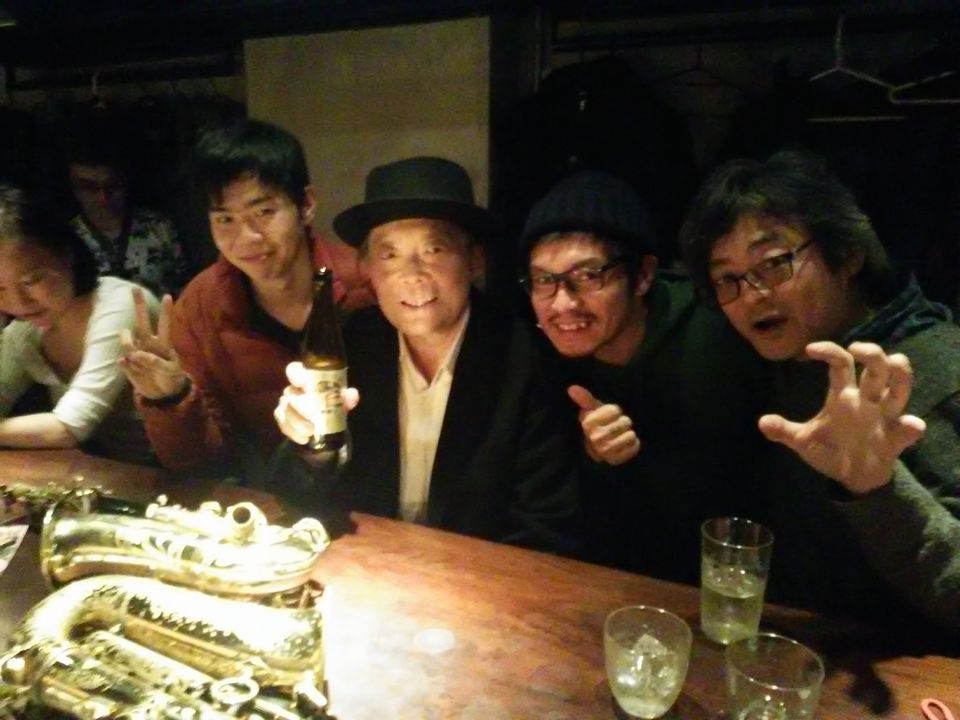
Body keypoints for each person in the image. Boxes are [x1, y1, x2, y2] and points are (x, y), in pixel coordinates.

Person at [680, 149, 960, 634]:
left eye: (774, 263)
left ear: (847, 255)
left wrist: (876, 487)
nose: (752, 295)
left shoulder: (939, 370)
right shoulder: (784, 361)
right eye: (727, 278)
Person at [274, 157, 579, 552]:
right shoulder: (353, 341)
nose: (412, 274)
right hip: (368, 565)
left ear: (475, 260)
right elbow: (291, 492)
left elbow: (545, 526)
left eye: (434, 249)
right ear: (366, 268)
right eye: (389, 255)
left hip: (474, 576)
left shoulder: (524, 358)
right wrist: (310, 447)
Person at [517, 170, 766, 583]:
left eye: (588, 276)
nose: (562, 303)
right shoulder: (543, 357)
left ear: (644, 275)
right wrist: (598, 460)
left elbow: (740, 499)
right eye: (544, 280)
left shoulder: (716, 338)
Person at [118, 118, 374, 480]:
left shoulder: (367, 284)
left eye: (263, 212)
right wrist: (170, 398)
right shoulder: (201, 307)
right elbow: (203, 462)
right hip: (275, 497)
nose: (246, 238)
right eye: (225, 219)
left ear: (306, 205)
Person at [0, 185, 158, 462]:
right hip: (107, 473)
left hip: (173, 474)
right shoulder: (24, 332)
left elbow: (71, 427)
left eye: (32, 280)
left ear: (67, 253)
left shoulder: (120, 305)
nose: (19, 301)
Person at [65, 118, 192, 296]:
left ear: (127, 181)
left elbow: (184, 289)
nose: (103, 197)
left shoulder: (158, 226)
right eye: (89, 187)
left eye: (113, 185)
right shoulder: (67, 239)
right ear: (74, 188)